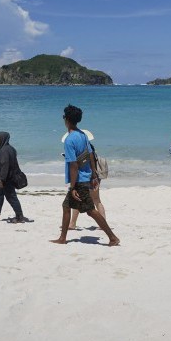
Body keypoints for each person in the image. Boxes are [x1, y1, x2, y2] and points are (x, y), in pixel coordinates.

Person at [51, 105, 120, 246]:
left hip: (79, 180)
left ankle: (113, 237)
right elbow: (90, 155)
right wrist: (94, 175)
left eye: (64, 117)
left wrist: (73, 186)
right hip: (87, 176)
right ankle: (62, 238)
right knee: (66, 206)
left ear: (67, 119)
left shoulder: (70, 140)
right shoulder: (83, 135)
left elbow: (73, 165)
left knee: (90, 211)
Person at [62, 129, 107, 230]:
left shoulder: (81, 149)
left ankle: (72, 224)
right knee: (96, 200)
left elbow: (77, 164)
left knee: (83, 203)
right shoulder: (90, 148)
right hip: (94, 176)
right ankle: (103, 223)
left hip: (86, 177)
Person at [0, 131, 26, 223]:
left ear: (2, 139)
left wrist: (1, 180)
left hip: (7, 179)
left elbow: (5, 165)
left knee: (11, 197)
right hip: (11, 176)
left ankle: (20, 217)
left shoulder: (3, 150)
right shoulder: (11, 148)